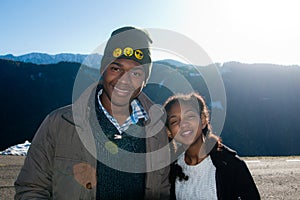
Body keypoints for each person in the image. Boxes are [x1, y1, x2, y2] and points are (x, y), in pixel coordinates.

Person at [15, 26, 170, 200]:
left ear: (145, 80)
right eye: (116, 68)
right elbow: (31, 188)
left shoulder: (158, 132)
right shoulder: (60, 123)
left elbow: (162, 191)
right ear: (103, 70)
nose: (124, 80)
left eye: (136, 72)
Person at [163, 92, 260, 200]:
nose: (183, 124)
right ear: (169, 132)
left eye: (190, 116)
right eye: (174, 121)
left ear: (203, 120)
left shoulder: (230, 165)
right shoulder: (170, 171)